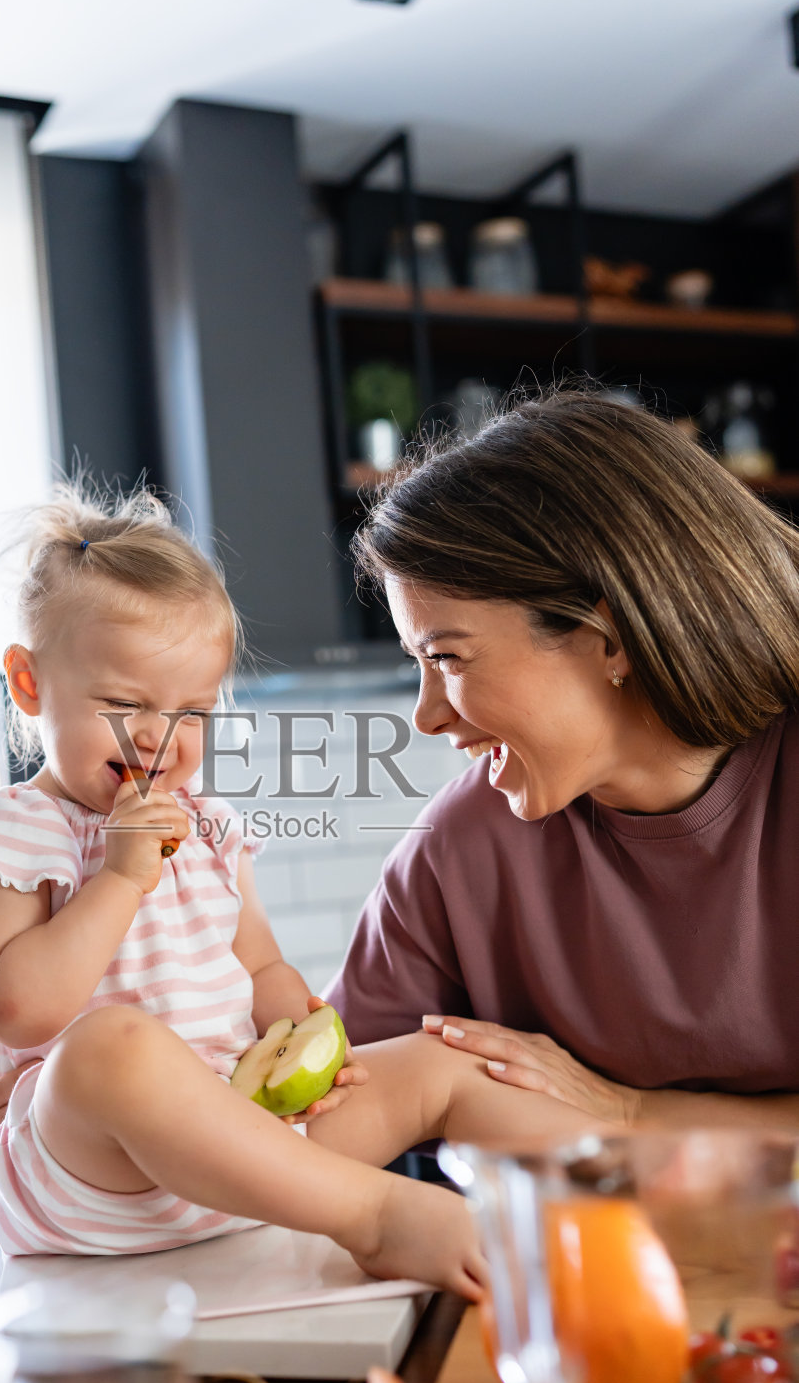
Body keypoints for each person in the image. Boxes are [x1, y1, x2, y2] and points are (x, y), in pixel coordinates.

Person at [0, 482, 606, 1297]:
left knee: (448, 1062)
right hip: (94, 1183)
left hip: (248, 1150)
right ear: (30, 685)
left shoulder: (209, 827)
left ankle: (614, 1238)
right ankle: (375, 1214)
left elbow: (262, 969)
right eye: (124, 704)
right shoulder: (15, 831)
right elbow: (18, 1010)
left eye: (192, 713)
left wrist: (307, 1036)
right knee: (109, 1048)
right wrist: (119, 877)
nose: (158, 737)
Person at [328, 389, 799, 1125]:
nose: (426, 716)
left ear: (605, 637)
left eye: (446, 657)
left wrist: (631, 1116)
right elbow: (325, 1102)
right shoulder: (463, 847)